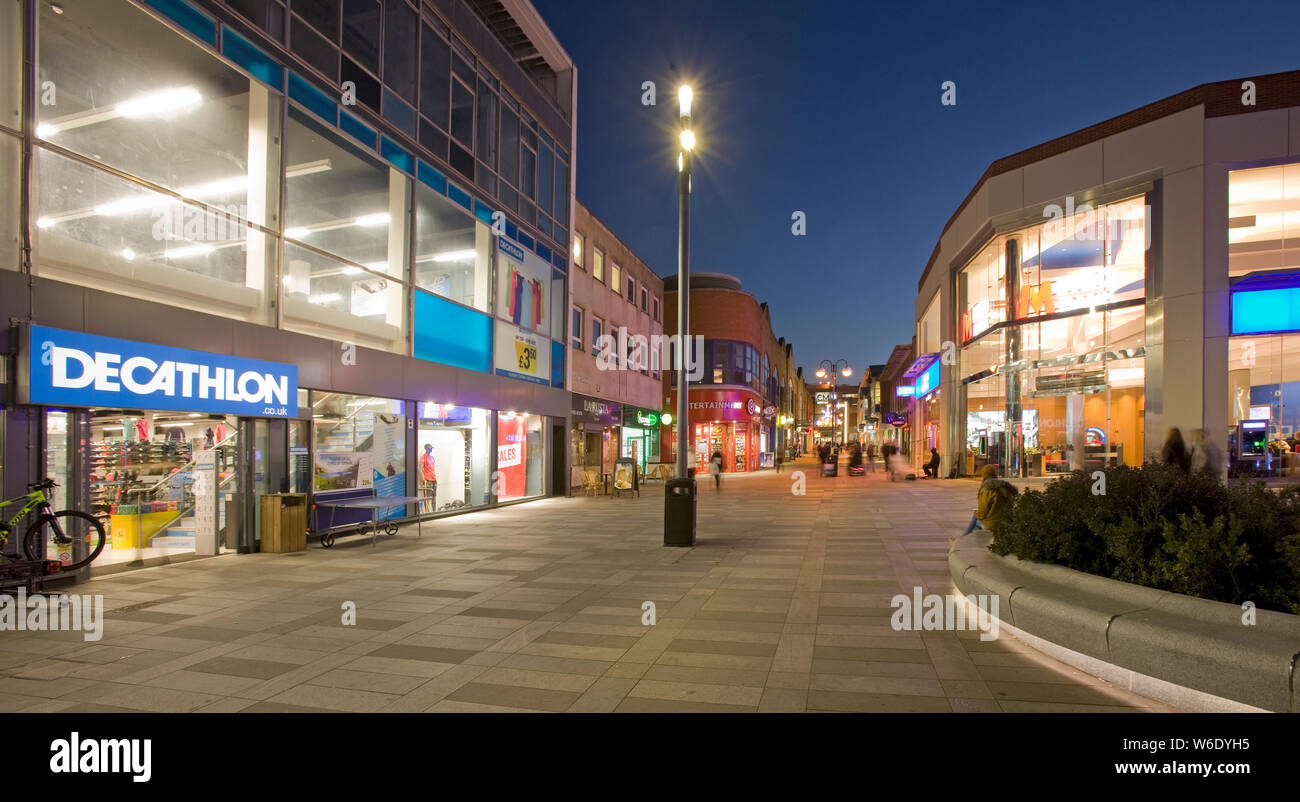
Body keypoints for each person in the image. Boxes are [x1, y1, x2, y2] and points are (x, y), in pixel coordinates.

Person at [962, 464, 1019, 536]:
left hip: (994, 525)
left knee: (976, 519)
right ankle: (966, 538)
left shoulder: (987, 489)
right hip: (1006, 521)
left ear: (984, 475)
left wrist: (976, 514)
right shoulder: (1004, 486)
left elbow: (982, 512)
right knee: (976, 518)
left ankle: (965, 538)